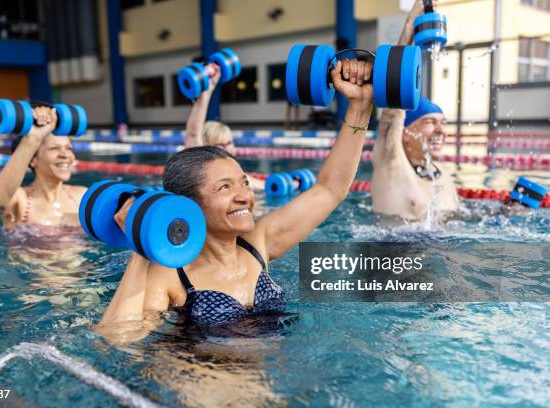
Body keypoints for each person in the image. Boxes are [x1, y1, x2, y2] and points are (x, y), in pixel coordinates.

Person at [96, 58, 374, 343]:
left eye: (243, 182)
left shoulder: (258, 242)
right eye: (224, 188)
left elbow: (330, 189)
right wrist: (141, 244)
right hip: (203, 382)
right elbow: (119, 340)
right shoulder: (171, 276)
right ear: (189, 206)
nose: (244, 196)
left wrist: (360, 107)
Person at [370, 0, 458, 220]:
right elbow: (392, 111)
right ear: (405, 132)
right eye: (429, 122)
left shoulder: (442, 175)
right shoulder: (391, 163)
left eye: (443, 122)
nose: (441, 131)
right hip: (396, 254)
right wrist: (410, 26)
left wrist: (509, 209)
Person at [0, 103, 87, 228]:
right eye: (54, 148)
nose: (65, 155)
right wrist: (33, 136)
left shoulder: (82, 197)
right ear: (32, 160)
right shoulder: (22, 201)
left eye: (69, 148)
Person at [183, 64, 266, 191]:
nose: (228, 149)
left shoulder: (239, 177)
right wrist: (207, 90)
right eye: (220, 145)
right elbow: (193, 134)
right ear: (205, 149)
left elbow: (267, 187)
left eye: (230, 143)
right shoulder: (200, 171)